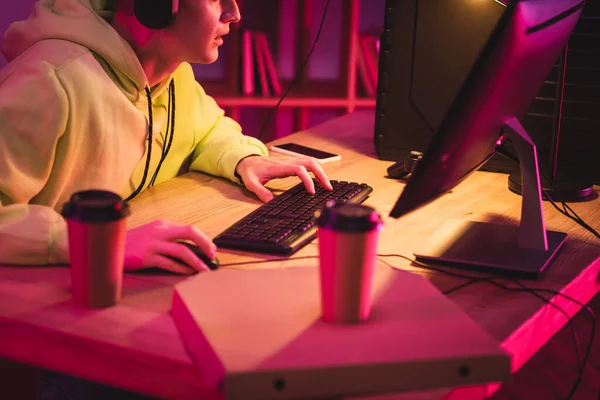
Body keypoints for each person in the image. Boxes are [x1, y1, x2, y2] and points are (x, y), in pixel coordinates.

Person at [0, 0, 333, 275]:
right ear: (155, 5)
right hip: (48, 300)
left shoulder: (174, 77)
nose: (234, 13)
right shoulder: (48, 80)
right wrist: (97, 243)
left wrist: (246, 159)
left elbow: (208, 130)